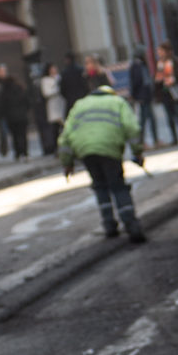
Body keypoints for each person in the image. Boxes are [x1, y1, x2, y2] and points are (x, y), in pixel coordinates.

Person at [56, 73, 147, 242]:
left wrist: (67, 164)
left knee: (100, 186)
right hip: (110, 148)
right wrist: (137, 152)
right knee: (118, 186)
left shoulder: (79, 105)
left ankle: (109, 224)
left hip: (85, 151)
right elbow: (132, 128)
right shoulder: (118, 102)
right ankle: (131, 224)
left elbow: (65, 136)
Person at [0, 67, 35, 161]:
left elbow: (1, 106)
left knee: (15, 135)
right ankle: (25, 152)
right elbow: (28, 102)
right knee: (23, 134)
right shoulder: (21, 89)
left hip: (11, 118)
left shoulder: (4, 92)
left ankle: (18, 152)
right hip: (22, 116)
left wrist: (1, 116)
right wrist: (25, 111)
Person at [153, 43, 178, 146]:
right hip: (165, 93)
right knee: (170, 117)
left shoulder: (174, 62)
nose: (158, 53)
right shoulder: (159, 64)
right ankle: (175, 138)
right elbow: (157, 79)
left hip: (175, 92)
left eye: (160, 51)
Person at [125, 51, 160, 145]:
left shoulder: (142, 65)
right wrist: (135, 95)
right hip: (142, 96)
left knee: (150, 118)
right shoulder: (137, 66)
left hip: (146, 96)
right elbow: (136, 82)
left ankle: (154, 139)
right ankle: (142, 141)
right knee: (144, 120)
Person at [38, 62, 66, 154]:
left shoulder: (59, 77)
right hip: (53, 106)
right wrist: (57, 89)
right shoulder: (45, 80)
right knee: (55, 129)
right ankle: (56, 148)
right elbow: (46, 93)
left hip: (61, 103)